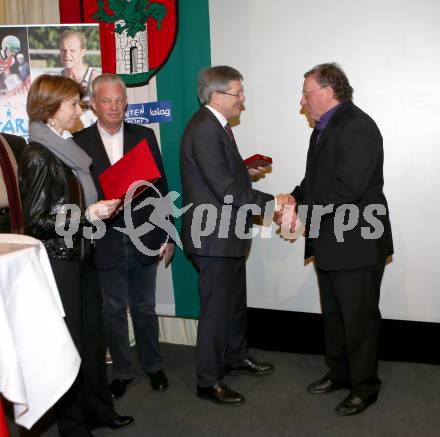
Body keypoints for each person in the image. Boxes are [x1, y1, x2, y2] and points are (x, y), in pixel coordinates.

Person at [18, 74, 134, 436]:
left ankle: (100, 410)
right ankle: (73, 427)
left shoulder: (64, 145)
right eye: (73, 104)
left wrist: (96, 210)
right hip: (60, 262)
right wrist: (87, 214)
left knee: (93, 339)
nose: (79, 109)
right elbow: (37, 220)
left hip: (82, 254)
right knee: (71, 348)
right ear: (51, 110)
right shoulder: (38, 154)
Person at [281, 63, 393, 416]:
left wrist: (303, 212)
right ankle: (340, 374)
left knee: (358, 319)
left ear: (328, 92)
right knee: (334, 315)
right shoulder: (323, 128)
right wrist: (295, 197)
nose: (302, 102)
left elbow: (349, 189)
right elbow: (315, 179)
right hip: (331, 241)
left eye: (306, 93)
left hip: (356, 242)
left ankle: (365, 387)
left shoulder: (356, 127)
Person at [180, 65, 292, 405]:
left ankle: (234, 356)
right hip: (213, 236)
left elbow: (220, 177)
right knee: (216, 309)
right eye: (237, 92)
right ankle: (207, 380)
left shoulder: (215, 127)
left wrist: (244, 170)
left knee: (233, 304)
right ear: (216, 95)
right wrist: (273, 202)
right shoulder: (204, 129)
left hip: (226, 234)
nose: (242, 99)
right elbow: (226, 190)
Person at [74, 73, 174, 400]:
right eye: (107, 100)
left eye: (119, 99)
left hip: (145, 234)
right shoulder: (79, 143)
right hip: (104, 239)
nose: (114, 106)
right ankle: (121, 370)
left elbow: (161, 189)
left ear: (126, 102)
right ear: (93, 104)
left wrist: (169, 233)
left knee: (145, 306)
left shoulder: (144, 136)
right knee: (112, 310)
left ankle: (153, 365)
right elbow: (77, 196)